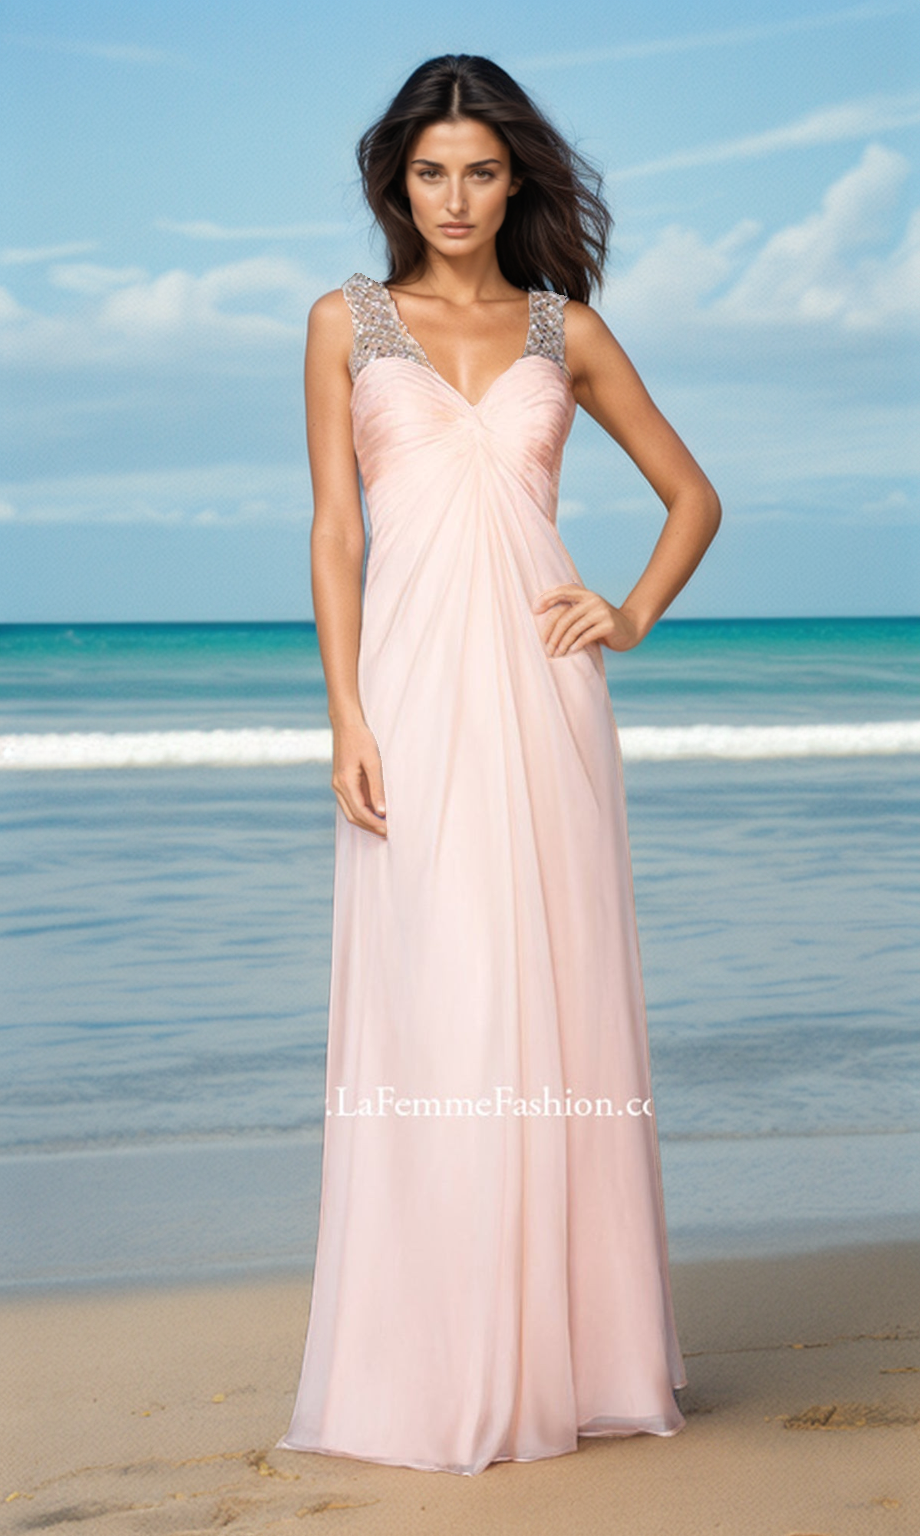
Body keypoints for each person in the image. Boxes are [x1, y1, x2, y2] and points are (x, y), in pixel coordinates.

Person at [278, 53, 721, 1477]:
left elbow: (693, 492)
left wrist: (633, 609)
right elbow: (337, 532)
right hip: (408, 698)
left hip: (546, 699)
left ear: (513, 175)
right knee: (440, 1008)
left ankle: (575, 1358)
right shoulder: (344, 324)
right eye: (428, 173)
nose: (454, 198)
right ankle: (440, 1354)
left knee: (555, 1004)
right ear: (393, 182)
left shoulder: (563, 329)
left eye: (478, 170)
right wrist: (347, 714)